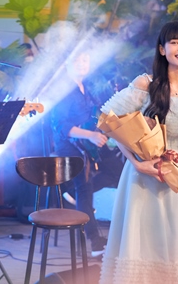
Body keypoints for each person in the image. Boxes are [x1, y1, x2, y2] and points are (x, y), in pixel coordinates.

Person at [98, 21, 178, 284]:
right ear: (162, 49)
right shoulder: (146, 84)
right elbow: (109, 122)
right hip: (143, 176)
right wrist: (136, 163)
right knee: (144, 244)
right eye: (175, 42)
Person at [50, 51, 113, 256]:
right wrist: (90, 136)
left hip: (87, 145)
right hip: (69, 147)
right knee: (84, 188)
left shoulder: (86, 87)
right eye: (77, 60)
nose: (82, 63)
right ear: (67, 63)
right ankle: (95, 242)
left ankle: (70, 192)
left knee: (115, 170)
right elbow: (62, 127)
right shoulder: (63, 89)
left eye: (85, 59)